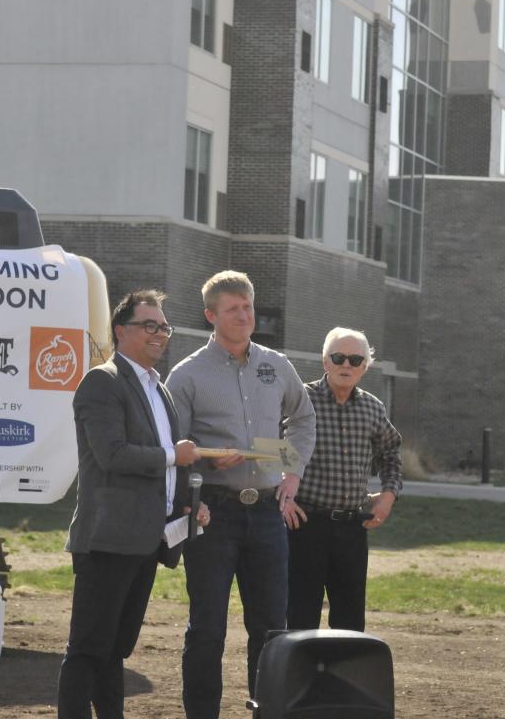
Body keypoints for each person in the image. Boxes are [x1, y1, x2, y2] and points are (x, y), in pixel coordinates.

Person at [166, 270, 316, 719]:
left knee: (271, 628)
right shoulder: (187, 374)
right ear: (211, 315)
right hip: (213, 512)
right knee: (208, 628)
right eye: (233, 309)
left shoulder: (277, 365)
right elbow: (173, 445)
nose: (244, 315)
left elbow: (303, 419)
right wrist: (209, 462)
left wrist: (292, 473)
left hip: (268, 512)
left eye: (248, 306)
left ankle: (266, 712)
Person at [57, 289, 208, 719]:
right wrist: (172, 456)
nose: (160, 333)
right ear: (121, 332)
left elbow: (168, 466)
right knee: (87, 651)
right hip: (106, 541)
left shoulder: (159, 390)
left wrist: (186, 506)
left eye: (164, 326)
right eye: (149, 325)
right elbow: (113, 455)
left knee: (114, 652)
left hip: (144, 541)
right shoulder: (101, 382)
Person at [286, 327, 402, 632]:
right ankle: (299, 679)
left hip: (352, 529)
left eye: (355, 359)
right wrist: (282, 497)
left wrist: (388, 496)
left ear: (365, 367)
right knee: (299, 618)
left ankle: (341, 681)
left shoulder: (373, 408)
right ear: (325, 361)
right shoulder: (300, 400)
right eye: (338, 357)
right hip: (304, 526)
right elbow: (271, 445)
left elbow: (391, 453)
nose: (346, 365)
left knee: (350, 623)